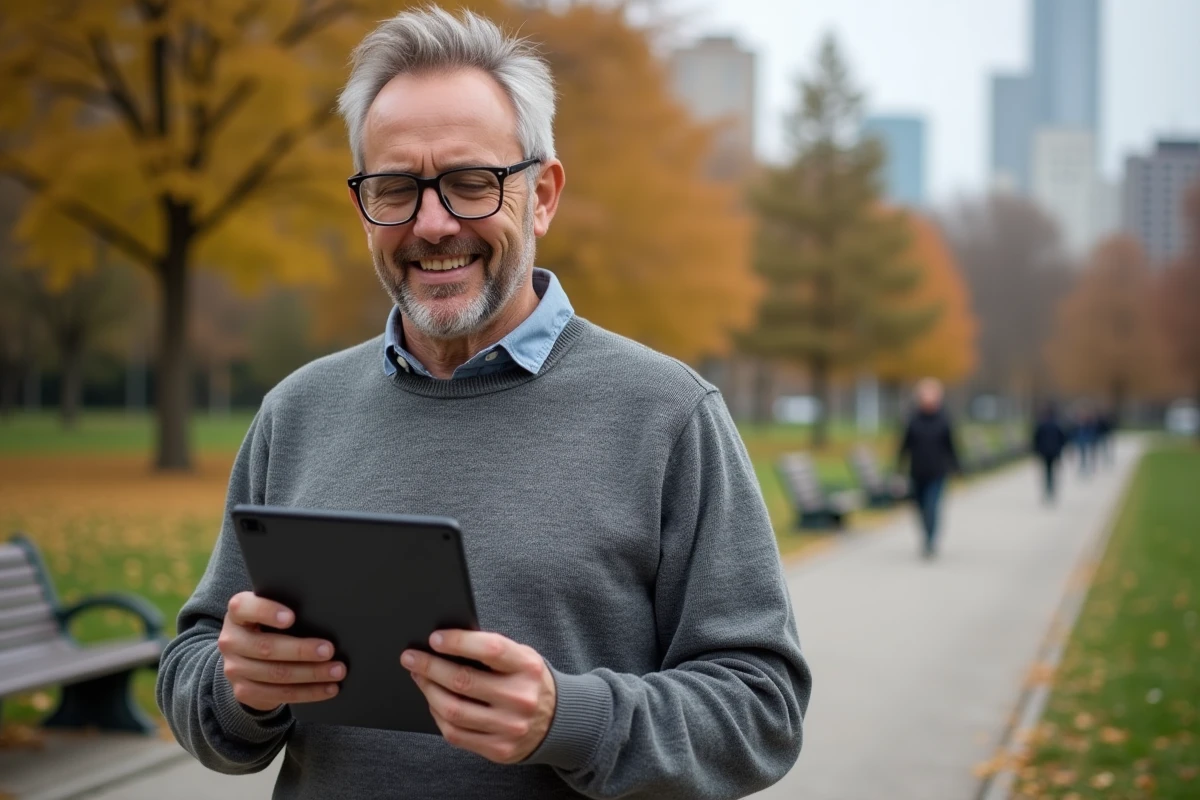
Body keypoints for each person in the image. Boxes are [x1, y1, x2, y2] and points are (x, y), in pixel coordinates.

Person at [156, 8, 810, 800]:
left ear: (542, 196)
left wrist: (570, 719)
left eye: (472, 184)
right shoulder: (298, 411)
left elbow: (762, 708)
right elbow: (196, 666)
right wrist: (241, 690)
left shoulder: (667, 415)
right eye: (396, 188)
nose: (432, 225)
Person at [896, 378, 961, 559]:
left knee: (932, 506)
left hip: (937, 472)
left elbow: (951, 445)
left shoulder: (943, 419)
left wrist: (957, 467)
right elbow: (904, 445)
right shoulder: (913, 419)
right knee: (920, 508)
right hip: (917, 471)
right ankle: (926, 536)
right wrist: (899, 469)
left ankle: (930, 541)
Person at [1032, 402, 1069, 504]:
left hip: (1044, 452)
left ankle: (1048, 491)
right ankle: (1051, 491)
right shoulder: (1057, 425)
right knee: (1052, 472)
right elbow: (1063, 439)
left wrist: (1036, 452)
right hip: (1054, 452)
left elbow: (1036, 440)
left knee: (1046, 472)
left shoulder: (1041, 424)